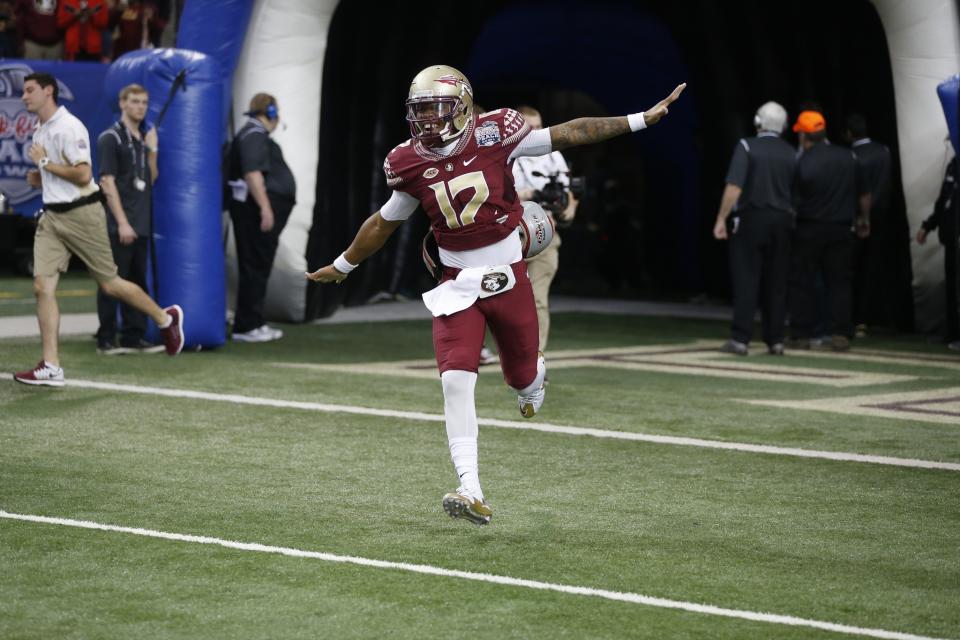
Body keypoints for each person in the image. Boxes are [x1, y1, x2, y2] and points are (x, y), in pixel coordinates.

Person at [306, 64, 684, 525]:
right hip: (456, 283)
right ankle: (470, 486)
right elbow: (384, 222)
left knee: (521, 376)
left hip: (508, 274)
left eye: (436, 109)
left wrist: (640, 119)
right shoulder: (409, 161)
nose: (427, 121)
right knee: (454, 380)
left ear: (463, 106)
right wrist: (344, 265)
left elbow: (572, 132)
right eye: (420, 112)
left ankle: (533, 378)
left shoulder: (497, 132)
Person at [13, 72, 183, 387]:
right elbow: (58, 175)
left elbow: (83, 174)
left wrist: (46, 165)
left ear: (48, 91)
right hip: (51, 217)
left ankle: (166, 318)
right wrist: (41, 178)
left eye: (29, 91)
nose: (24, 97)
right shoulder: (40, 130)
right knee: (41, 287)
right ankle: (51, 366)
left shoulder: (68, 126)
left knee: (111, 285)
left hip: (82, 214)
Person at [713, 101, 796, 356]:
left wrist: (721, 219)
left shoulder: (747, 146)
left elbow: (734, 186)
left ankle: (740, 338)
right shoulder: (791, 152)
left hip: (751, 218)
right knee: (777, 282)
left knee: (747, 278)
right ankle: (776, 340)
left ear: (758, 122)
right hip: (783, 221)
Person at [787, 110, 871, 352]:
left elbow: (792, 198)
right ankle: (839, 334)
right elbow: (864, 194)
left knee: (802, 281)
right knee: (840, 282)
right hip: (842, 228)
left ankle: (800, 334)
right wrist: (864, 219)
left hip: (808, 227)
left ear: (804, 135)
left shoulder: (801, 161)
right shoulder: (849, 157)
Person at [95, 83, 162, 354]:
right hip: (119, 224)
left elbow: (152, 178)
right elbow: (106, 182)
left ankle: (134, 336)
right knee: (113, 282)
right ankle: (106, 338)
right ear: (122, 103)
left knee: (137, 281)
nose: (140, 107)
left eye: (144, 102)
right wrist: (122, 221)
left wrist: (153, 150)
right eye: (134, 101)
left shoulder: (142, 139)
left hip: (141, 222)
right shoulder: (111, 137)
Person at [226, 93, 295, 343]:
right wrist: (266, 208)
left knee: (257, 266)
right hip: (254, 214)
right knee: (255, 266)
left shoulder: (252, 134)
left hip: (255, 212)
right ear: (272, 113)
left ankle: (253, 321)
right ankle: (247, 325)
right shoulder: (254, 135)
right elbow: (253, 174)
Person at [511, 105, 579, 355]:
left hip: (545, 232)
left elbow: (569, 190)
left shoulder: (553, 154)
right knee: (502, 300)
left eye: (540, 127)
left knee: (538, 299)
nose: (536, 133)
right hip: (510, 234)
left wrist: (570, 208)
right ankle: (497, 350)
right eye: (530, 128)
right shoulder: (504, 153)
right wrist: (529, 194)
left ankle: (534, 359)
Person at [844, 114, 892, 338]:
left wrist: (862, 217)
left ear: (849, 134)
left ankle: (852, 318)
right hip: (881, 217)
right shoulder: (883, 151)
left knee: (851, 269)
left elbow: (858, 191)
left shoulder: (851, 155)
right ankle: (866, 318)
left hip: (857, 220)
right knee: (872, 269)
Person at [916, 155, 959, 346]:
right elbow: (944, 200)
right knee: (952, 287)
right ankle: (953, 333)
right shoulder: (953, 164)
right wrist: (928, 225)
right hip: (952, 237)